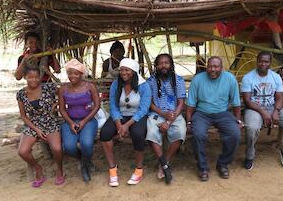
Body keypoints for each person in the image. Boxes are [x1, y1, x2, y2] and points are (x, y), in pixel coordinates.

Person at [241, 51, 283, 170]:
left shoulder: (276, 77)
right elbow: (247, 101)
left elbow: (279, 97)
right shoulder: (248, 77)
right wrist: (263, 113)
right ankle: (249, 155)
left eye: (266, 61)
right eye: (261, 61)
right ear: (257, 62)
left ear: (270, 63)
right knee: (252, 128)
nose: (263, 64)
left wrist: (275, 111)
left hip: (273, 107)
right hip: (254, 108)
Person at [186, 56, 241, 181]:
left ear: (221, 68)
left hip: (223, 113)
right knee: (198, 134)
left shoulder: (230, 79)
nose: (213, 69)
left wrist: (238, 120)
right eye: (210, 66)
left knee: (234, 134)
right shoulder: (198, 79)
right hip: (202, 113)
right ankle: (202, 167)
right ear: (206, 67)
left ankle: (223, 164)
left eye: (216, 67)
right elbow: (191, 103)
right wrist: (189, 121)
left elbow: (236, 102)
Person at [100, 58, 151, 186]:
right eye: (121, 70)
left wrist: (127, 125)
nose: (124, 73)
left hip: (137, 116)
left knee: (138, 134)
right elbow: (113, 105)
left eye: (127, 70)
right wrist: (118, 124)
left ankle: (139, 169)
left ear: (133, 71)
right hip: (120, 116)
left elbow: (144, 109)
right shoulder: (116, 84)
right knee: (105, 133)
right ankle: (112, 168)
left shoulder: (143, 86)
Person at [16, 66, 64, 187]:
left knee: (57, 149)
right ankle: (38, 169)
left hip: (50, 122)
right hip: (33, 125)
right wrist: (36, 130)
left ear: (40, 77)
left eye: (36, 77)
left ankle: (60, 169)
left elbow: (64, 92)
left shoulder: (48, 88)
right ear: (25, 77)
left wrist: (57, 104)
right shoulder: (21, 94)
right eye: (30, 77)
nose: (34, 80)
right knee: (22, 151)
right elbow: (23, 116)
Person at [146, 54, 187, 184]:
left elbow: (181, 103)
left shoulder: (178, 80)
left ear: (171, 65)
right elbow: (150, 103)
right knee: (152, 132)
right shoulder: (150, 81)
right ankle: (164, 166)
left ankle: (165, 161)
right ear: (156, 66)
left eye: (166, 63)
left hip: (175, 114)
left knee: (180, 132)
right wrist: (163, 115)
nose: (163, 66)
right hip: (156, 113)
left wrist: (169, 121)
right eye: (160, 63)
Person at [59, 59, 100, 182]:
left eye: (76, 73)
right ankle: (84, 161)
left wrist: (83, 122)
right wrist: (71, 123)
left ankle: (84, 167)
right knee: (69, 147)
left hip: (88, 121)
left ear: (81, 74)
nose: (73, 76)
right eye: (70, 73)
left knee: (86, 144)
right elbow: (62, 109)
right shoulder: (63, 89)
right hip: (70, 121)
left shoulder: (90, 87)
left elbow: (97, 106)